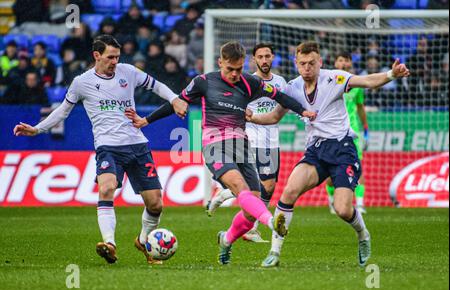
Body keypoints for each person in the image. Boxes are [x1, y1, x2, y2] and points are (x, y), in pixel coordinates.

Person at [125, 41, 317, 265]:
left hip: (242, 146)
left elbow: (280, 97)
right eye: (230, 69)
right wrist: (146, 120)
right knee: (240, 188)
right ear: (220, 62)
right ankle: (272, 221)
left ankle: (226, 239)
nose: (235, 74)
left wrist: (303, 110)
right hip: (214, 144)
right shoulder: (204, 82)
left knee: (250, 210)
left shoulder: (250, 82)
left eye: (238, 69)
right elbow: (176, 101)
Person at [13, 35, 188, 265]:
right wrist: (37, 129)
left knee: (155, 203)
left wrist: (175, 99)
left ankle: (143, 240)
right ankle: (110, 244)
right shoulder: (81, 82)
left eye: (117, 56)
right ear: (96, 55)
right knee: (106, 189)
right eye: (110, 57)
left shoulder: (128, 72)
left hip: (137, 144)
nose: (115, 61)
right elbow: (62, 111)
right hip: (108, 147)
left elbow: (157, 85)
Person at [246, 41, 410, 268]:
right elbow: (274, 117)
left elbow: (367, 81)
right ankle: (274, 252)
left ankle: (363, 235)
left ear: (320, 62)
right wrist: (252, 117)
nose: (307, 68)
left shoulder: (335, 78)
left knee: (343, 209)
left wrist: (391, 74)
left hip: (343, 149)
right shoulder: (292, 88)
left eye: (311, 63)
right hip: (316, 151)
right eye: (302, 63)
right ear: (296, 63)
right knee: (289, 192)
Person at [206, 43, 287, 244]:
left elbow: (284, 105)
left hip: (272, 140)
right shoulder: (247, 82)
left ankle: (225, 194)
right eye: (260, 57)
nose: (264, 60)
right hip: (250, 139)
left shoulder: (280, 82)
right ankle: (255, 226)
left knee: (268, 187)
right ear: (254, 60)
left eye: (268, 56)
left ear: (273, 57)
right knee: (258, 186)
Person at [325, 52, 369, 215]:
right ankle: (331, 202)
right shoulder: (328, 81)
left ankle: (360, 204)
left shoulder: (356, 84)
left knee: (357, 167)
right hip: (333, 131)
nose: (343, 63)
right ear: (335, 63)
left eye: (346, 60)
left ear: (350, 63)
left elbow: (360, 107)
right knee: (329, 172)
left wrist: (365, 128)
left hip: (353, 133)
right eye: (340, 60)